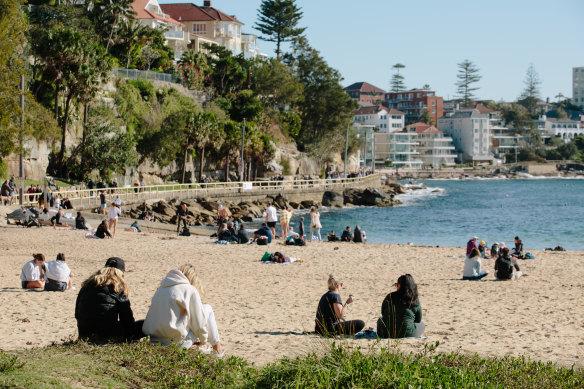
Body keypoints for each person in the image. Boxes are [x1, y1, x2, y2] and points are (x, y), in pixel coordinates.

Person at [142, 264, 224, 357]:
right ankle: (218, 350)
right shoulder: (189, 290)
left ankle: (213, 348)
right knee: (207, 308)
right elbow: (199, 322)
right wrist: (203, 340)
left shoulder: (161, 289)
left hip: (155, 342)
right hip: (176, 345)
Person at [75, 257, 144, 343]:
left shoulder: (87, 284)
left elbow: (77, 314)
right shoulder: (118, 286)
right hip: (107, 334)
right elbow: (127, 319)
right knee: (144, 324)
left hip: (84, 333)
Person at [377, 274, 425, 339]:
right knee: (421, 325)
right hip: (406, 333)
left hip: (384, 333)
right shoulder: (414, 299)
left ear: (399, 285)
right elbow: (418, 319)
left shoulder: (390, 296)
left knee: (380, 320)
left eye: (396, 284)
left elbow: (383, 312)